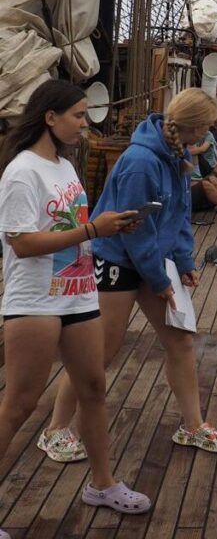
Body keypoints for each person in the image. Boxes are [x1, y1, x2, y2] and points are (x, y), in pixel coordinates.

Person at [44, 88, 217, 455]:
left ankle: (193, 426)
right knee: (99, 353)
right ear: (193, 127)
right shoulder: (141, 162)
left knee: (180, 341)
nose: (209, 136)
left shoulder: (177, 156)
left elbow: (179, 214)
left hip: (151, 262)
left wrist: (184, 261)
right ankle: (56, 428)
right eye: (206, 129)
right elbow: (136, 231)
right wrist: (161, 281)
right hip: (117, 262)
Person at [0, 80, 151, 529]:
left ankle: (102, 484)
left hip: (79, 293)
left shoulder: (64, 167)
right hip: (36, 302)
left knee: (94, 389)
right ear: (50, 117)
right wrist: (92, 231)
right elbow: (23, 243)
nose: (86, 124)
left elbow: (71, 224)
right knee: (21, 403)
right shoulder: (22, 172)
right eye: (79, 115)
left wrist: (108, 229)